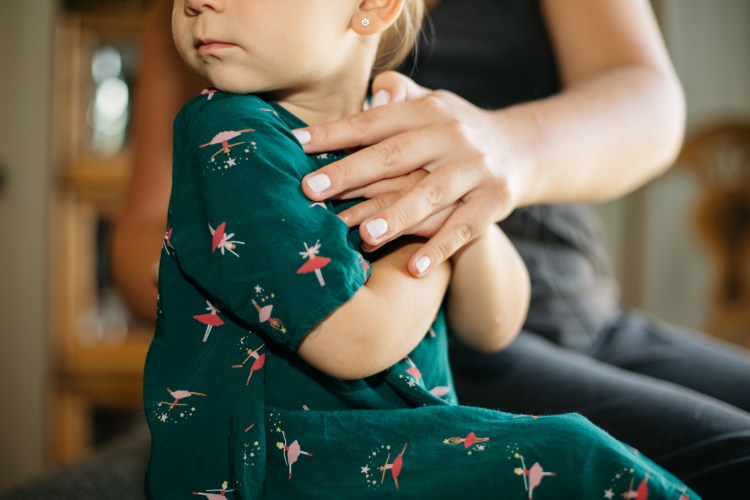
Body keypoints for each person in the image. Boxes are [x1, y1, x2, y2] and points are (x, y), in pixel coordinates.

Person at [110, 0, 750, 497]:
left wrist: (460, 210)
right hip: (292, 457)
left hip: (551, 329)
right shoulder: (228, 133)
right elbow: (355, 341)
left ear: (373, 7)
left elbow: (495, 323)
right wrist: (430, 238)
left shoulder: (390, 119)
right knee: (576, 453)